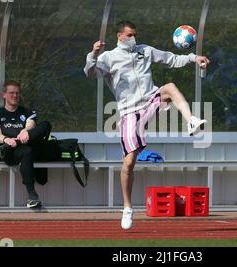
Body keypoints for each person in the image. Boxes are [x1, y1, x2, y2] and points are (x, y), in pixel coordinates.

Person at [84, 21, 210, 230]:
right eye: (130, 35)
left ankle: (191, 121)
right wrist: (93, 55)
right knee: (129, 162)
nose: (134, 38)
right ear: (119, 36)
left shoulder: (145, 51)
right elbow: (90, 73)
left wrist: (194, 58)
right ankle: (127, 208)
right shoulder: (109, 58)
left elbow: (171, 59)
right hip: (129, 111)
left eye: (135, 34)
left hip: (150, 99)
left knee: (169, 87)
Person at [0, 81, 51, 208]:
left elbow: (31, 124)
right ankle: (32, 195)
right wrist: (6, 140)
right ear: (4, 95)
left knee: (45, 125)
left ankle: (32, 198)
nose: (15, 96)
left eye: (17, 93)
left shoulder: (26, 111)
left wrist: (25, 131)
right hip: (11, 151)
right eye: (11, 93)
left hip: (27, 144)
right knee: (26, 151)